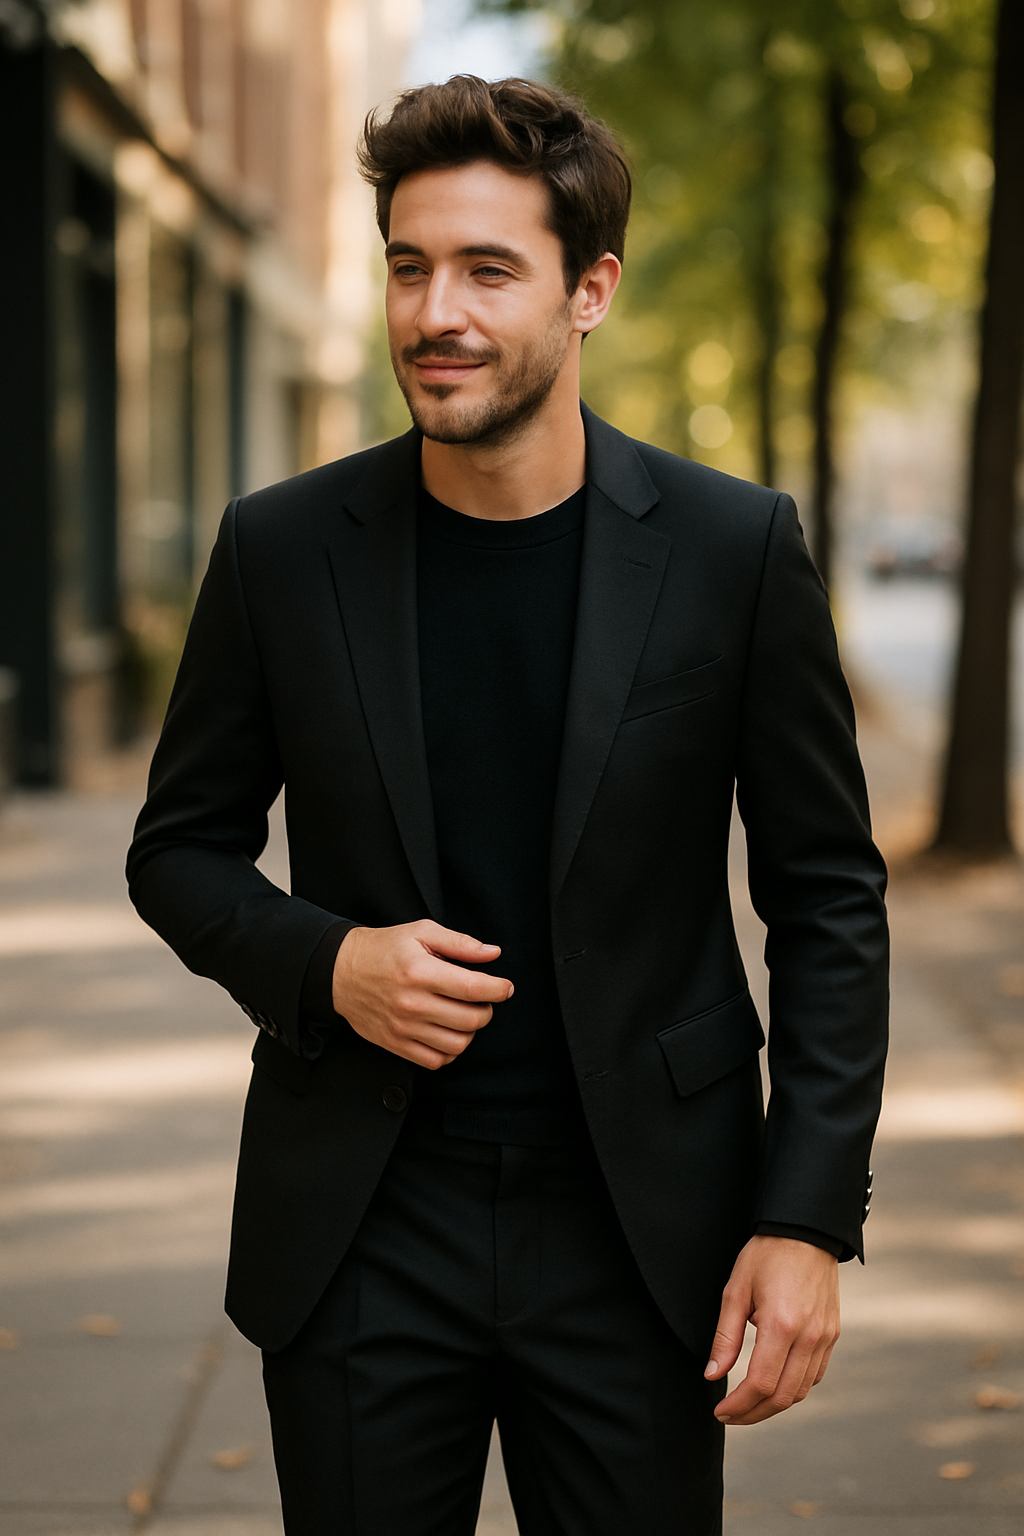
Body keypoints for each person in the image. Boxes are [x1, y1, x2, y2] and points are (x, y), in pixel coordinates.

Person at [127, 74, 888, 1536]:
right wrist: (327, 965)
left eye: (487, 269)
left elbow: (829, 901)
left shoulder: (735, 552)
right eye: (410, 266)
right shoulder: (283, 552)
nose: (436, 312)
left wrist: (805, 1218)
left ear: (589, 290)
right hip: (360, 1223)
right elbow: (178, 850)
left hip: (643, 1231)